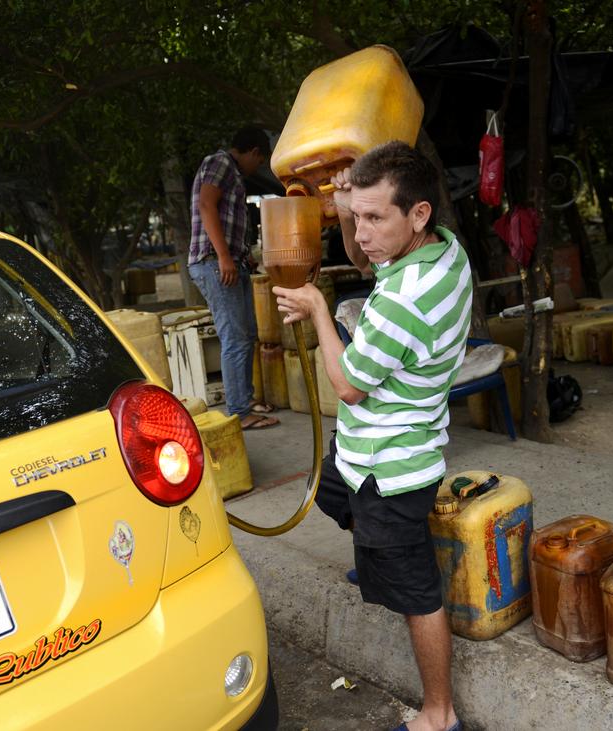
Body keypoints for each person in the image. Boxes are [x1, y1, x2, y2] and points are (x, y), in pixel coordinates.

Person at [274, 141, 468, 731]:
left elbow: (349, 386)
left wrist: (317, 309)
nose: (361, 236)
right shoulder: (442, 249)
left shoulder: (405, 299)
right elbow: (367, 263)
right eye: (356, 217)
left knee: (418, 596)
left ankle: (439, 714)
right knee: (329, 491)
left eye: (375, 218)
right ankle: (375, 556)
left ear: (418, 213)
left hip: (391, 466)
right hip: (364, 452)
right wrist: (346, 206)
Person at [188, 127, 279, 429]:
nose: (258, 167)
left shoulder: (234, 173)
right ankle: (239, 412)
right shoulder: (221, 162)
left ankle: (245, 399)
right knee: (235, 338)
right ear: (253, 152)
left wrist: (241, 255)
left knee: (247, 333)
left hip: (230, 262)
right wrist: (224, 256)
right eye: (260, 161)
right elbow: (206, 205)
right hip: (214, 263)